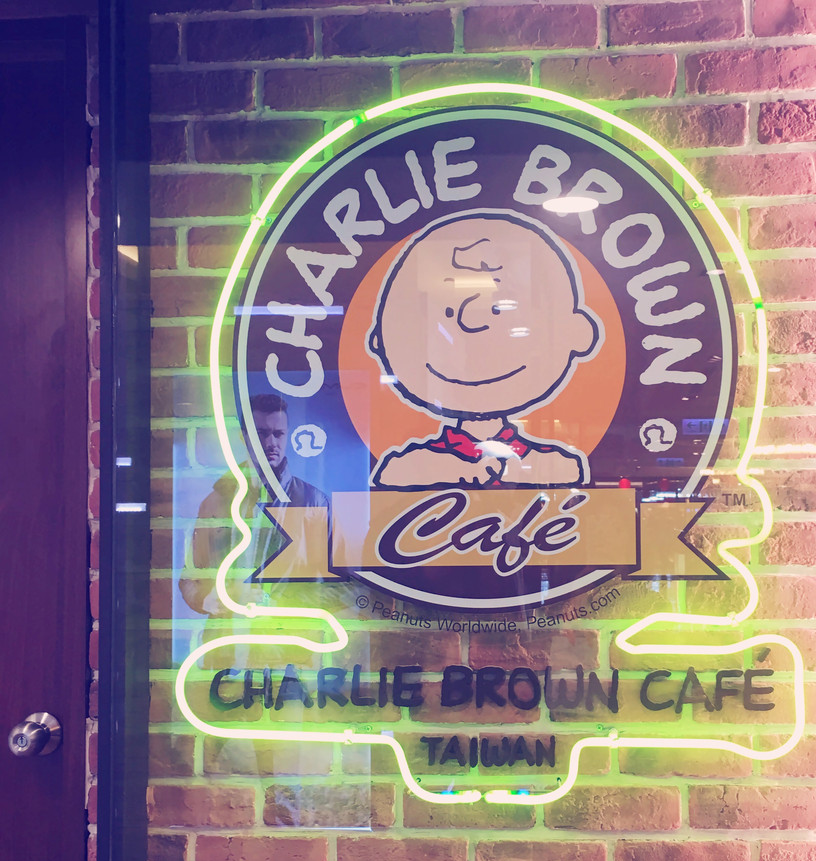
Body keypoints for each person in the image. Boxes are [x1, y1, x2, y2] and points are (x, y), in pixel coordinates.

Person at [366, 211, 603, 489]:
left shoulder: (556, 465)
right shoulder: (408, 466)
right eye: (449, 310)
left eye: (496, 309)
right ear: (382, 339)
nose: (471, 325)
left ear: (578, 332)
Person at [179, 394, 327, 615]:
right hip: (226, 632)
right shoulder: (215, 502)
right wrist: (205, 599)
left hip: (284, 633)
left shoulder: (312, 503)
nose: (271, 443)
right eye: (262, 434)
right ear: (243, 437)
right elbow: (189, 577)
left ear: (287, 435)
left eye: (278, 434)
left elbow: (339, 586)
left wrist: (274, 604)